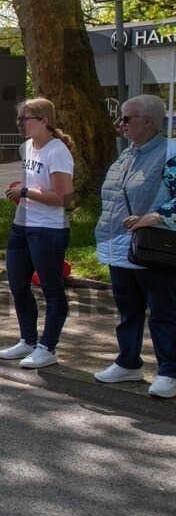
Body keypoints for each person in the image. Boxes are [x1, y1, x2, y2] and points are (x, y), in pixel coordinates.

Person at [92, 94, 176, 398]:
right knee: (128, 310)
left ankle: (169, 371)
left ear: (149, 121)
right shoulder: (128, 153)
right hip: (120, 248)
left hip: (154, 248)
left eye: (127, 118)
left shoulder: (170, 153)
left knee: (163, 312)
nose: (120, 124)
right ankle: (128, 363)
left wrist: (153, 217)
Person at [0, 97, 75, 369]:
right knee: (18, 284)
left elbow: (63, 197)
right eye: (17, 118)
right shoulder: (27, 147)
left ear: (44, 121)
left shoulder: (57, 151)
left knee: (52, 289)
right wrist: (23, 188)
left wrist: (26, 191)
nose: (19, 123)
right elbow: (37, 184)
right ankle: (28, 340)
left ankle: (47, 347)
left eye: (24, 119)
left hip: (48, 229)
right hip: (22, 226)